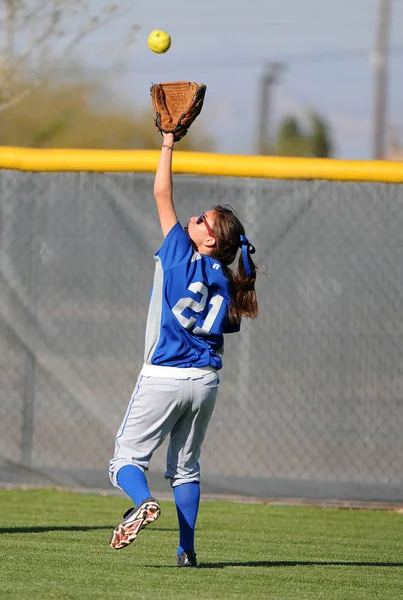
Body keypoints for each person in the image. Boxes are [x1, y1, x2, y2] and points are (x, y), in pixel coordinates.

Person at [108, 131, 259, 567]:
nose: (191, 220)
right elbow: (225, 325)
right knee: (186, 469)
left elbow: (160, 190)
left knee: (124, 461)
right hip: (206, 382)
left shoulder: (180, 250)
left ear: (208, 240)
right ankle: (187, 551)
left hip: (165, 375)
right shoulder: (228, 281)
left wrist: (168, 143)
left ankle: (141, 503)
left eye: (200, 220)